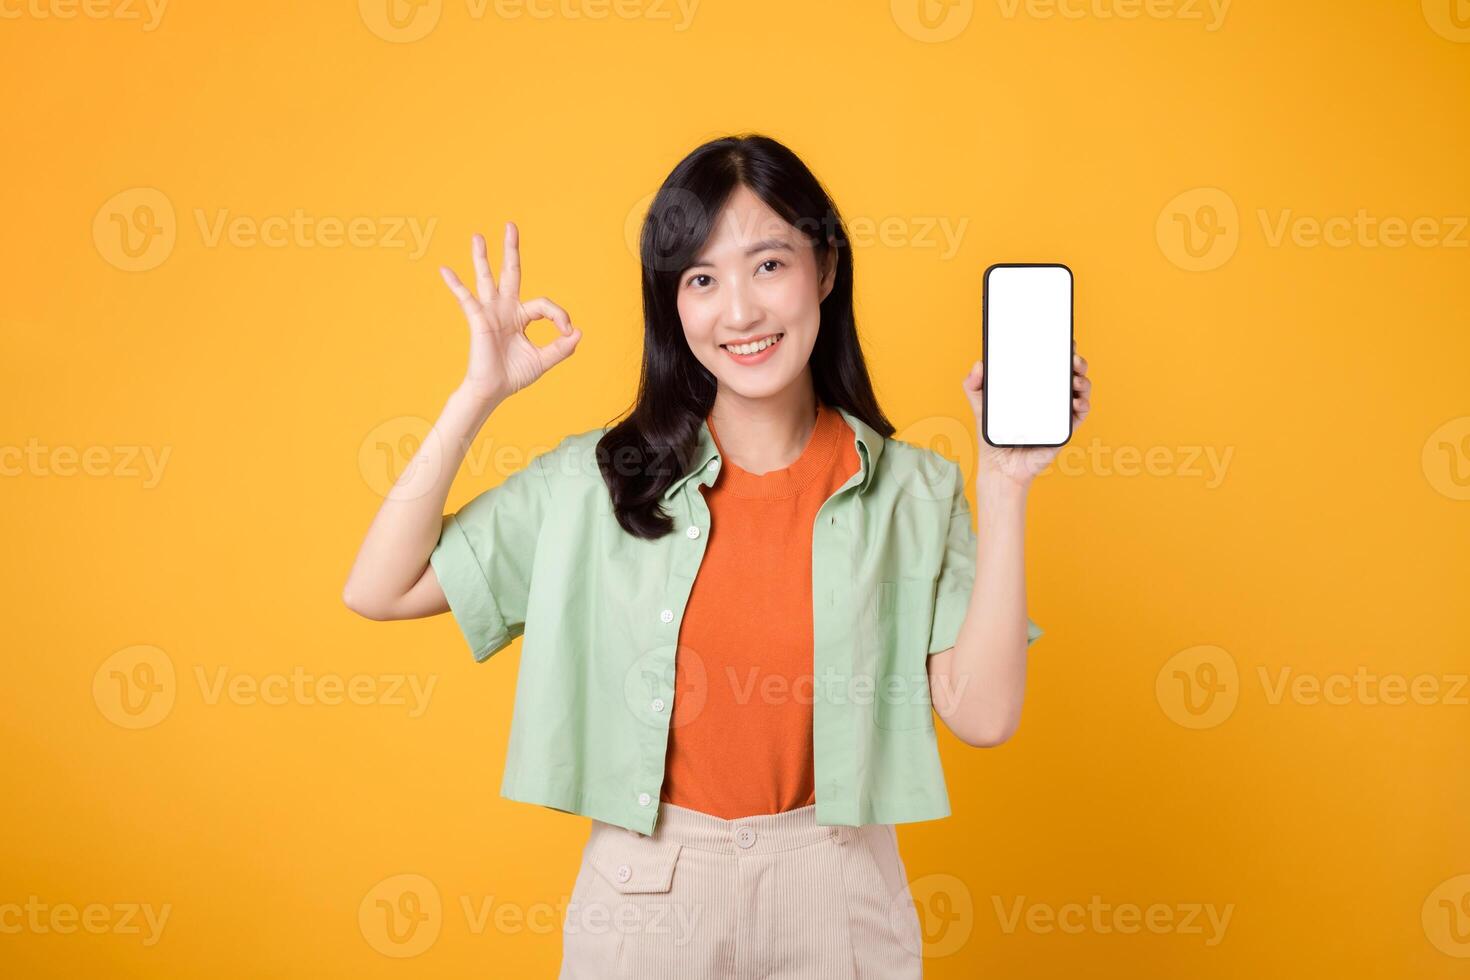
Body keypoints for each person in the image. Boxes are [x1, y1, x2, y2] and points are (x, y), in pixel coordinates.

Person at [343, 133, 1092, 979]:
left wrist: (1005, 485)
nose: (738, 312)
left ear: (827, 270)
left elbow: (983, 716)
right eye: (701, 279)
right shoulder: (602, 481)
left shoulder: (912, 493)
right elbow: (380, 585)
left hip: (838, 896)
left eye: (768, 265)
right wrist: (477, 394)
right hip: (646, 899)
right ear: (674, 304)